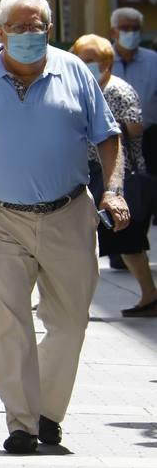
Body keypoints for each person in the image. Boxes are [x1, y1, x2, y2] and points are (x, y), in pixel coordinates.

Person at [0, 0, 127, 454]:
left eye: (35, 27)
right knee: (9, 320)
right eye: (17, 28)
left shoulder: (75, 71)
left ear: (50, 29)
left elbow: (108, 137)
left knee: (71, 321)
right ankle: (21, 422)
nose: (26, 35)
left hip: (68, 214)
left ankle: (47, 411)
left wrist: (113, 190)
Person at [71, 35, 157, 317]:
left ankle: (149, 296)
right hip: (84, 171)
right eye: (82, 59)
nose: (87, 65)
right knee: (82, 239)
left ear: (107, 62)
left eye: (92, 60)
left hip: (115, 175)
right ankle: (65, 297)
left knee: (124, 239)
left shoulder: (118, 91)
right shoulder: (79, 88)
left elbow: (135, 128)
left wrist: (108, 125)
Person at [109, 7, 157, 267]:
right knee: (114, 190)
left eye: (135, 29)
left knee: (142, 192)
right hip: (108, 139)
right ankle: (121, 248)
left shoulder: (152, 60)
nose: (130, 33)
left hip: (147, 139)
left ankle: (133, 245)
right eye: (125, 28)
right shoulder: (102, 58)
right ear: (113, 31)